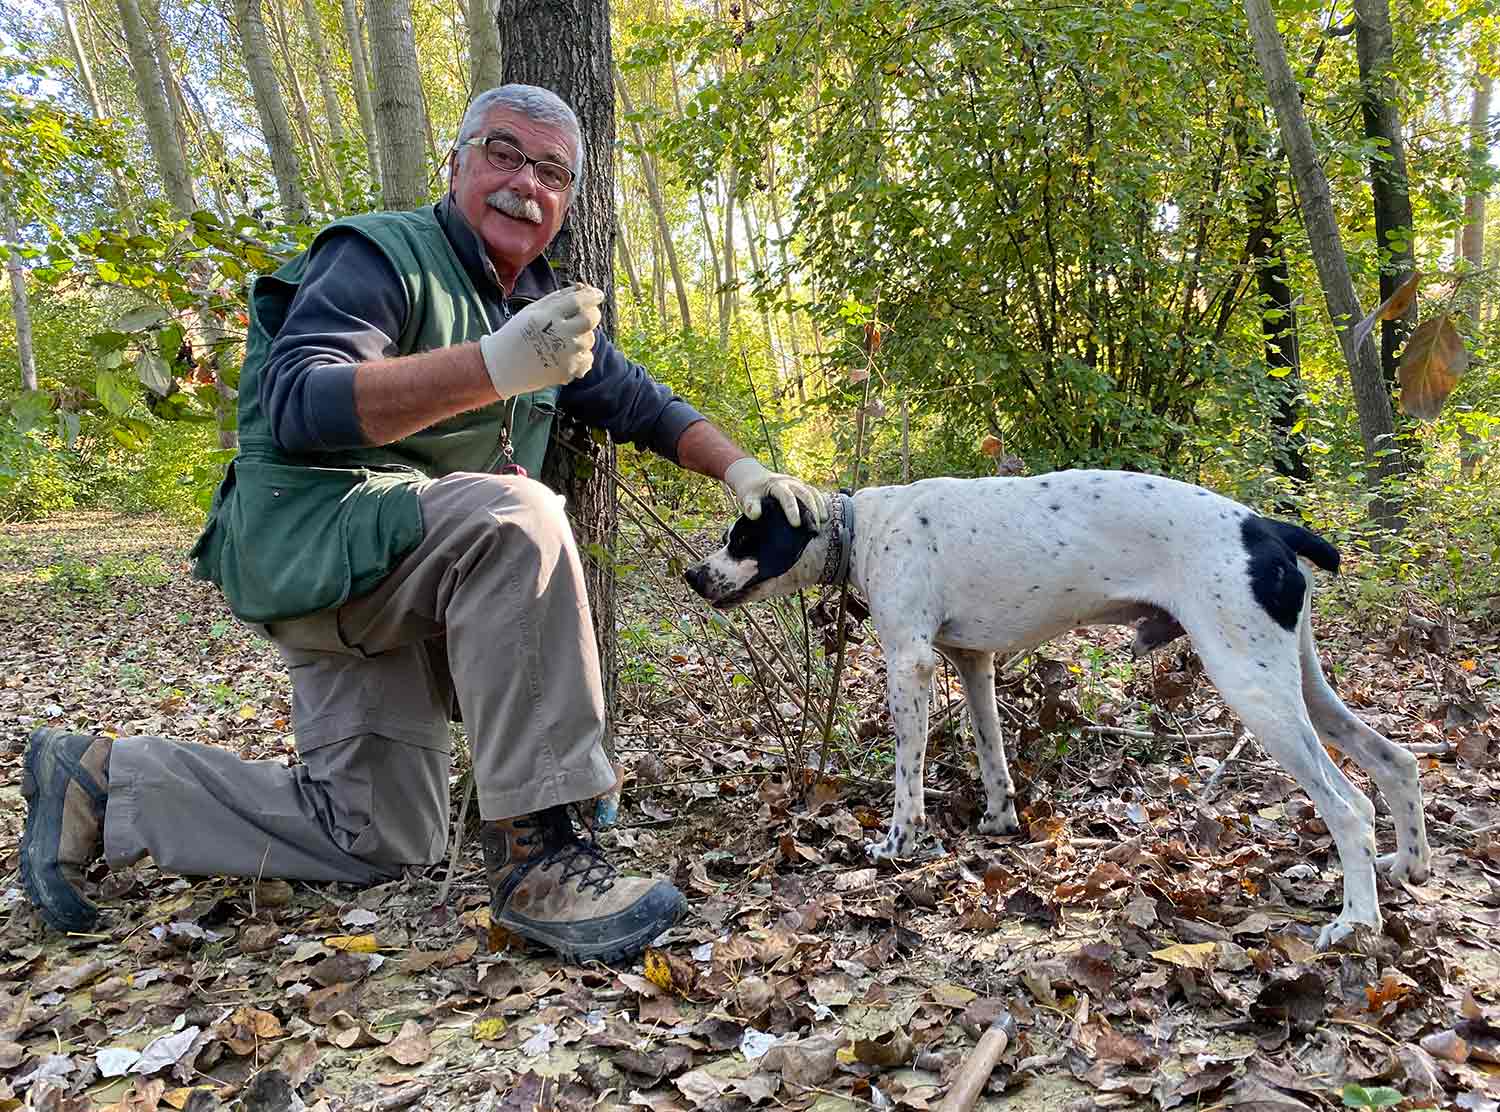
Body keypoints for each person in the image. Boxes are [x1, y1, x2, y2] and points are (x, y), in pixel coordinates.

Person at [19, 83, 824, 965]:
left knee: (378, 839)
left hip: (403, 585)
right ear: (456, 163)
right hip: (321, 545)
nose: (526, 183)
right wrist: (490, 366)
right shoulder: (378, 256)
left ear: (566, 205)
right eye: (504, 153)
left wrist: (746, 470)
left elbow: (645, 405)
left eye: (551, 171)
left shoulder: (542, 314)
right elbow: (298, 401)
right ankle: (541, 853)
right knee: (519, 516)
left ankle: (99, 779)